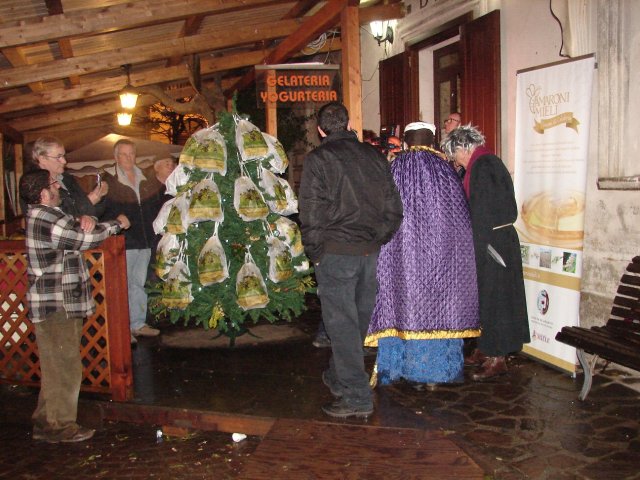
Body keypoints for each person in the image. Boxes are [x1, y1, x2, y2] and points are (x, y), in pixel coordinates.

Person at [299, 102, 403, 418]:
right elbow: (394, 209)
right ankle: (337, 376)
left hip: (336, 253)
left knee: (342, 325)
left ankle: (357, 398)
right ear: (347, 124)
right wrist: (377, 238)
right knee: (354, 323)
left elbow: (310, 211)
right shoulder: (374, 156)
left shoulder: (319, 159)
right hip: (367, 252)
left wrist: (316, 253)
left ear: (321, 130)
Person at [365, 122, 480, 388]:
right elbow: (459, 218)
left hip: (402, 256)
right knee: (439, 306)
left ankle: (402, 368)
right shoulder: (445, 170)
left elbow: (382, 213)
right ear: (433, 139)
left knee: (403, 305)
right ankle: (436, 374)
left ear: (406, 140)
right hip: (440, 256)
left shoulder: (395, 168)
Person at [20, 169, 129, 444]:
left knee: (56, 365)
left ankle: (45, 421)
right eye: (53, 184)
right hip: (56, 304)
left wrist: (87, 219)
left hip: (57, 303)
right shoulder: (45, 217)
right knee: (65, 366)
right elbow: (83, 239)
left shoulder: (49, 215)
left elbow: (78, 226)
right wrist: (116, 224)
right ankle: (60, 426)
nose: (58, 186)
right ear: (43, 193)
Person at [441, 125, 530, 380]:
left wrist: (476, 247)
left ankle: (497, 357)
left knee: (497, 299)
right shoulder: (483, 163)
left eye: (455, 155)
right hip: (493, 239)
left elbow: (483, 211)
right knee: (487, 298)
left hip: (492, 242)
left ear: (463, 148)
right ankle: (486, 347)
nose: (455, 160)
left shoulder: (483, 166)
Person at [102, 139, 165, 343]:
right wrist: (116, 219)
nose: (128, 158)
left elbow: (154, 207)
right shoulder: (108, 181)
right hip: (122, 241)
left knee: (138, 283)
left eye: (131, 154)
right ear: (116, 157)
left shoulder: (145, 180)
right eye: (124, 154)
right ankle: (122, 329)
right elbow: (101, 211)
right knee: (122, 285)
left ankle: (137, 324)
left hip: (144, 239)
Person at [24, 136, 109, 233]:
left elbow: (92, 213)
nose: (64, 161)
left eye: (64, 156)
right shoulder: (33, 183)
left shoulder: (67, 178)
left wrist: (100, 197)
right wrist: (89, 201)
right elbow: (51, 221)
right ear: (42, 159)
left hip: (78, 236)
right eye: (58, 157)